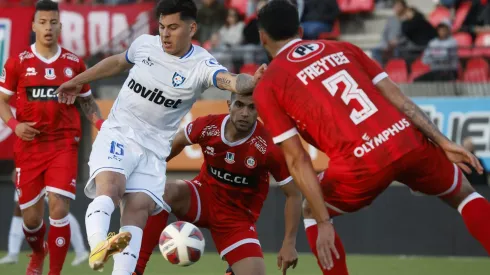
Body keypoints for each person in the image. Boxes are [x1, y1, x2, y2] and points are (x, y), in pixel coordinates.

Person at [252, 1, 490, 274]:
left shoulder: (268, 85)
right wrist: (443, 141)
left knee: (310, 210)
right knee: (465, 195)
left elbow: (297, 160)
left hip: (359, 165)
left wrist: (324, 222)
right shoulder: (343, 48)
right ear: (301, 30)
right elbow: (401, 100)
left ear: (262, 36)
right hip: (405, 140)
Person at [55, 0, 265, 273]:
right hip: (120, 131)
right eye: (163, 27)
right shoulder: (145, 44)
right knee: (112, 187)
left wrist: (252, 80)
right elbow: (117, 62)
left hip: (154, 150)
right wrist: (77, 80)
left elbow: (233, 81)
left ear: (192, 28)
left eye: (173, 27)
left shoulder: (201, 64)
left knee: (138, 211)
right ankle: (98, 246)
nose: (165, 34)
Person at [133, 93, 302, 275]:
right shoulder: (209, 126)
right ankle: (135, 270)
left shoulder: (269, 147)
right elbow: (179, 140)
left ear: (259, 110)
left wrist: (289, 243)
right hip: (202, 197)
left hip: (236, 219)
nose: (244, 113)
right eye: (239, 105)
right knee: (162, 191)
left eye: (252, 108)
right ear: (229, 105)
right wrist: (146, 172)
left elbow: (293, 194)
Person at [0, 1, 103, 274]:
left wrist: (101, 124)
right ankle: (37, 251)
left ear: (60, 25)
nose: (48, 27)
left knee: (58, 208)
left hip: (63, 144)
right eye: (42, 22)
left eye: (53, 22)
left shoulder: (74, 63)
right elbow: (2, 100)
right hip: (30, 146)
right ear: (33, 25)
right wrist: (14, 124)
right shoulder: (17, 63)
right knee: (31, 220)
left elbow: (87, 102)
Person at [0, 171, 89, 266]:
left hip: (45, 171)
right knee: (19, 209)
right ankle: (13, 253)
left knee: (60, 210)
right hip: (29, 173)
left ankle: (81, 251)